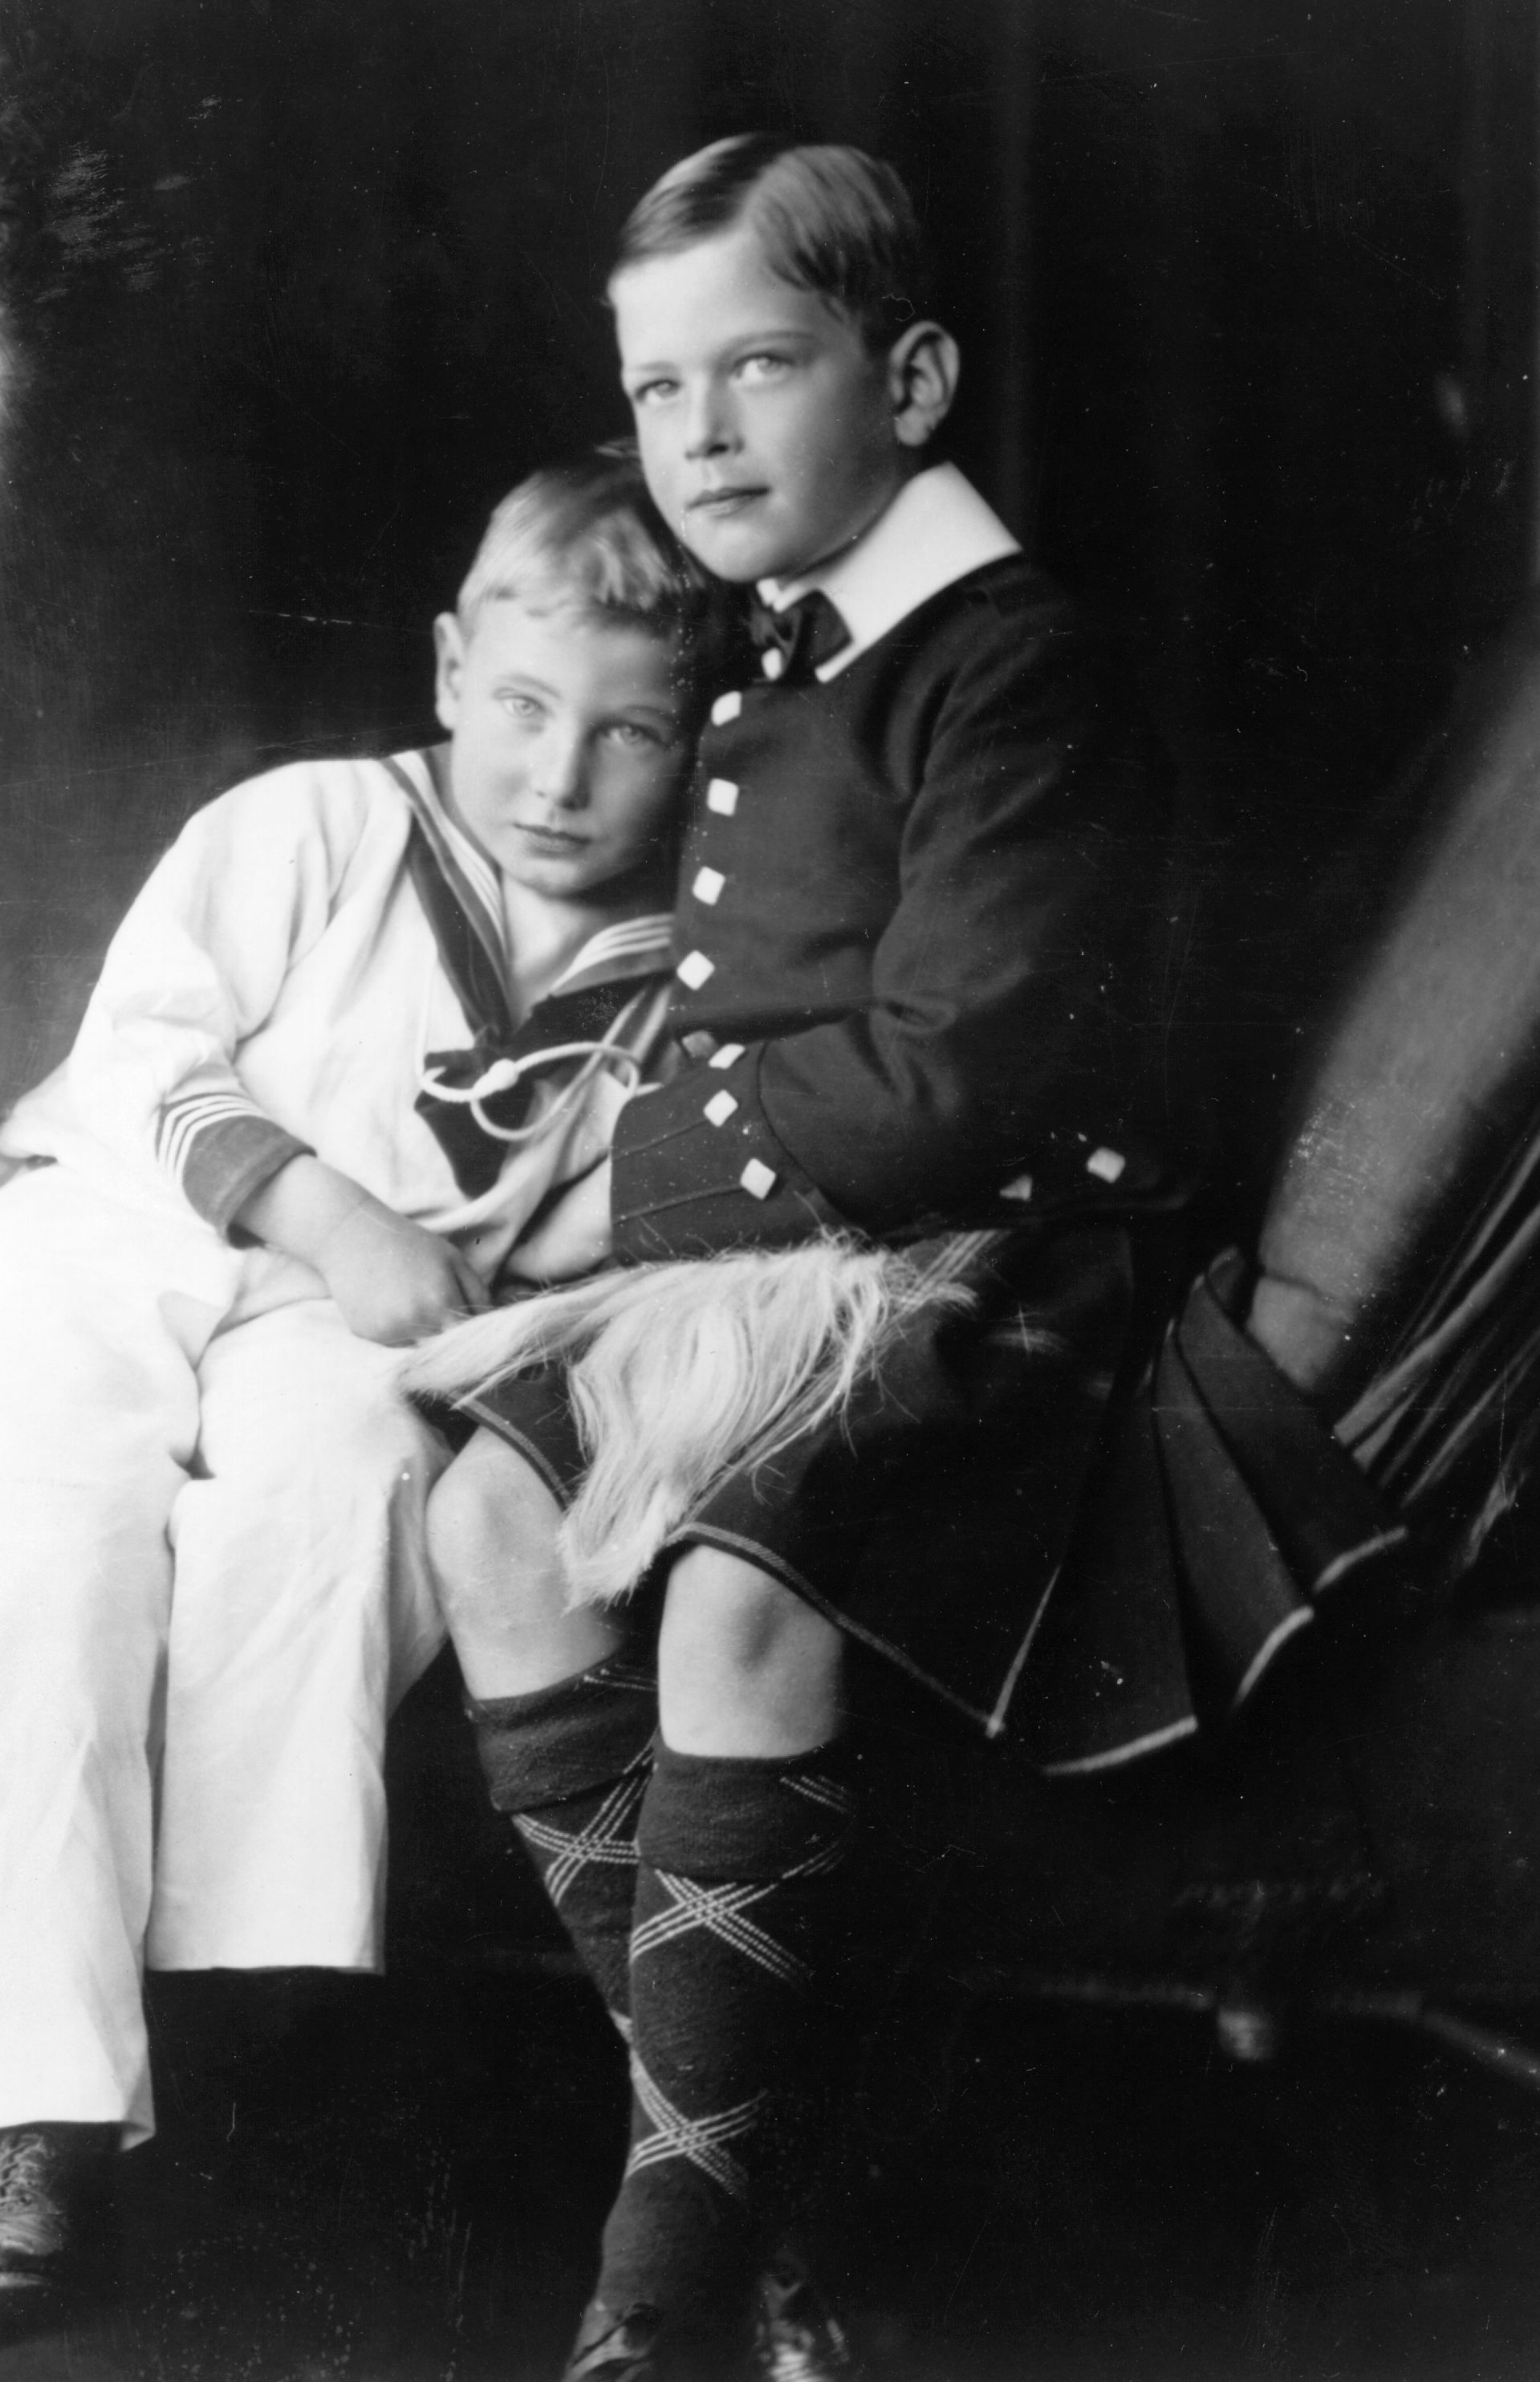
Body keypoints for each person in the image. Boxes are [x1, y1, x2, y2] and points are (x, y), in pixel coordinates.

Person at [410, 135, 1181, 2382]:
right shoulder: (783, 648)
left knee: (747, 1584)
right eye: (658, 391)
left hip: (974, 1269)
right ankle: (769, 2193)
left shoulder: (1008, 658)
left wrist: (614, 1176)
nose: (701, 436)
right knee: (488, 1516)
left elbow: (949, 1082)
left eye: (760, 366)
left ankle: (658, 2300)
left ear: (913, 372)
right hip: (777, 1260)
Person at [0, 454, 707, 2316]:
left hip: (369, 1313)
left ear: (697, 736)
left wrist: (461, 1301)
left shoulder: (660, 977)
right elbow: (146, 1040)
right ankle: (36, 2103)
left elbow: (579, 1226)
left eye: (629, 734)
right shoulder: (320, 823)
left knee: (332, 1498)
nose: (560, 780)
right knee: (54, 1547)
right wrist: (309, 1198)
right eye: (529, 711)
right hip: (134, 1224)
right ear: (453, 667)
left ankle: (223, 2024)